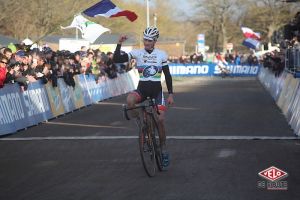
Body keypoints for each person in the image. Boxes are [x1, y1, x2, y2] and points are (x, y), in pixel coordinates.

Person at [113, 26, 174, 168]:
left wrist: (170, 94)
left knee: (160, 119)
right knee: (130, 101)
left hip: (157, 92)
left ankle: (163, 149)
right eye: (145, 39)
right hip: (142, 89)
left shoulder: (161, 54)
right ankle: (141, 124)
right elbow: (117, 58)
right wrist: (119, 44)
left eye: (149, 40)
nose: (146, 42)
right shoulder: (137, 53)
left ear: (155, 41)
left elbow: (168, 75)